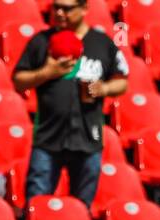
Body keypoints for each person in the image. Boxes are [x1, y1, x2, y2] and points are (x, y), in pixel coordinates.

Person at [13, 0, 129, 208]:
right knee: (36, 205)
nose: (59, 13)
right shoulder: (41, 41)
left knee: (82, 208)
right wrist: (46, 73)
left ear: (84, 9)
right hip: (48, 137)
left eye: (67, 8)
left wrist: (105, 89)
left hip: (88, 138)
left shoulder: (102, 42)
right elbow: (18, 80)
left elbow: (122, 81)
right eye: (55, 7)